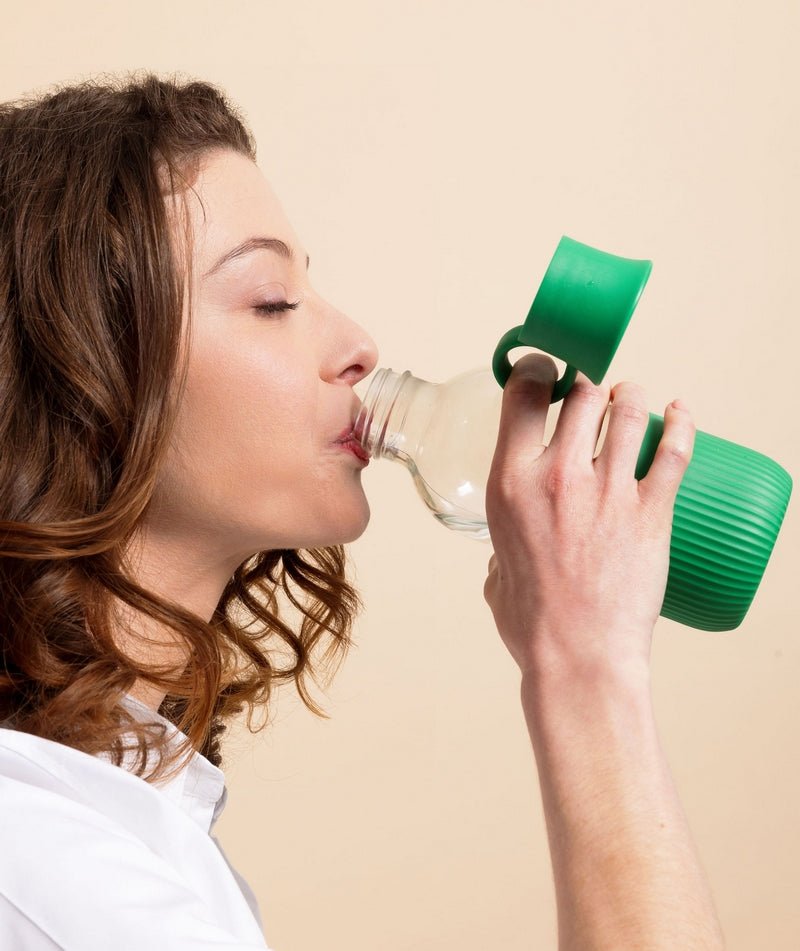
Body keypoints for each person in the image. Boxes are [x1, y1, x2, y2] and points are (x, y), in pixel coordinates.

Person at [0, 75, 725, 950]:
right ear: (79, 385)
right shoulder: (58, 881)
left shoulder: (120, 826)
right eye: (271, 301)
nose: (358, 345)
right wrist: (588, 668)